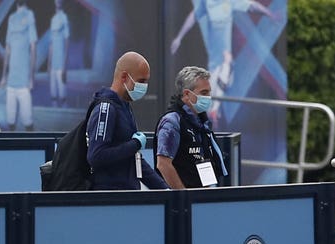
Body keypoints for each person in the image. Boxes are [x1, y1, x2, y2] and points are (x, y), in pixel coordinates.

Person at [170, 0, 276, 122]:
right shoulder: (207, 3)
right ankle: (210, 114)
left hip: (225, 56)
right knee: (211, 89)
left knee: (227, 65)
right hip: (214, 62)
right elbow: (193, 17)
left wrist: (268, 13)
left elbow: (252, 6)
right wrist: (179, 38)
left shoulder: (230, 1)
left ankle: (214, 110)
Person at [86, 51, 168, 190]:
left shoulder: (125, 107)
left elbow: (134, 159)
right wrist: (134, 144)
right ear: (124, 76)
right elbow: (96, 156)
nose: (144, 86)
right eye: (141, 81)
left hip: (128, 195)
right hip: (110, 197)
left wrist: (165, 190)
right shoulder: (106, 109)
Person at [154, 66, 227, 189]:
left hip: (201, 197)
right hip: (182, 203)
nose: (209, 97)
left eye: (209, 92)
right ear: (187, 94)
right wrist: (183, 196)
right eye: (204, 93)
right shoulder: (172, 122)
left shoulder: (202, 123)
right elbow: (163, 164)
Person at [0, 0, 37, 131]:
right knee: (10, 123)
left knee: (28, 124)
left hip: (24, 83)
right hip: (11, 82)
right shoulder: (11, 18)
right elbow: (8, 49)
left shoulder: (29, 15)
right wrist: (4, 76)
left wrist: (31, 78)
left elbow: (33, 48)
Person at [48, 0, 69, 107]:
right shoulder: (53, 19)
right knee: (53, 97)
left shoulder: (64, 18)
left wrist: (65, 65)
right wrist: (49, 64)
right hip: (53, 65)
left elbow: (66, 42)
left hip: (61, 64)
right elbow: (51, 44)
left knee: (62, 97)